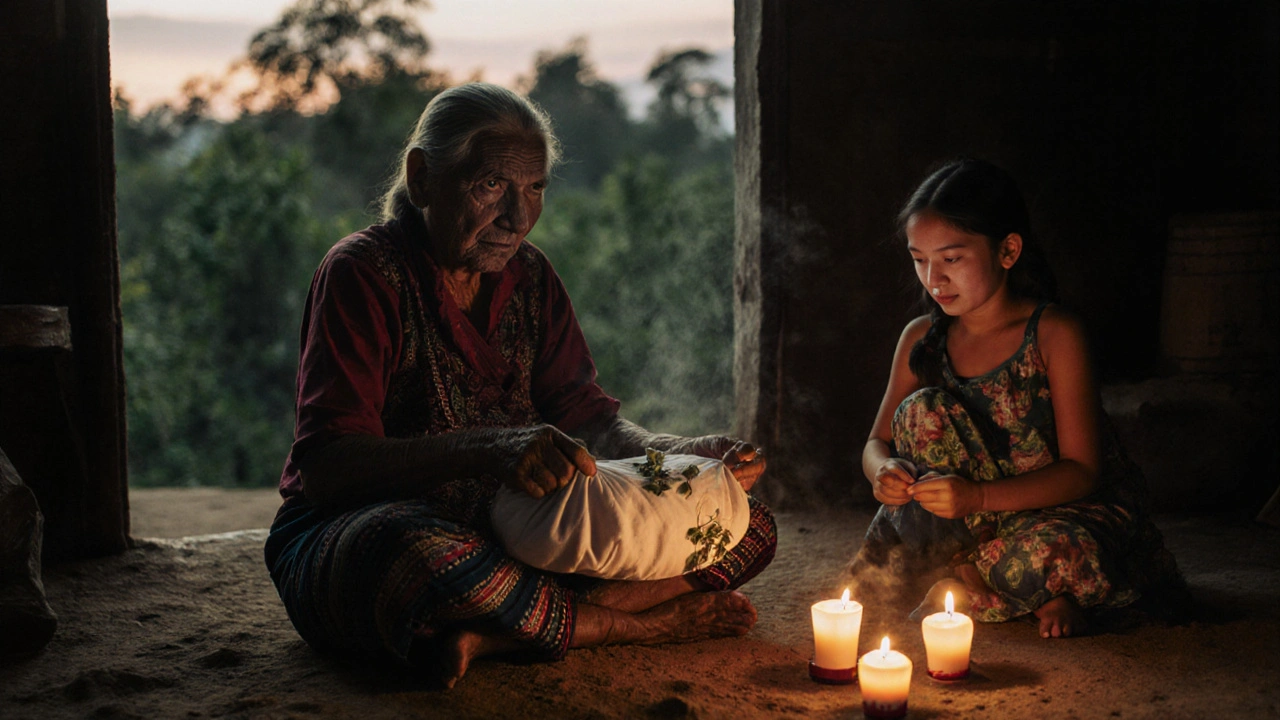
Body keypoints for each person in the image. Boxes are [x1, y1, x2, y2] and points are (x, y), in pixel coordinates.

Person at [263, 83, 777, 687]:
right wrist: (486, 448)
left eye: (535, 189)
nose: (518, 217)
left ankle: (498, 633)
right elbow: (327, 468)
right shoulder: (363, 274)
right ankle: (629, 623)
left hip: (521, 539)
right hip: (373, 530)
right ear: (424, 178)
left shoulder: (530, 275)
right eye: (491, 186)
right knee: (419, 556)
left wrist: (680, 458)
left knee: (746, 523)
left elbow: (589, 419)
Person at [856, 158, 1184, 639]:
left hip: (1060, 510)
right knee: (921, 411)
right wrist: (882, 471)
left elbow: (1083, 470)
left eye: (952, 258)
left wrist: (978, 497)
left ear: (1008, 251)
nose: (933, 278)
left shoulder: (1054, 334)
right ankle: (1010, 586)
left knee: (1066, 550)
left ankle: (976, 581)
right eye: (919, 259)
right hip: (968, 517)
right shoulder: (920, 337)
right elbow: (876, 441)